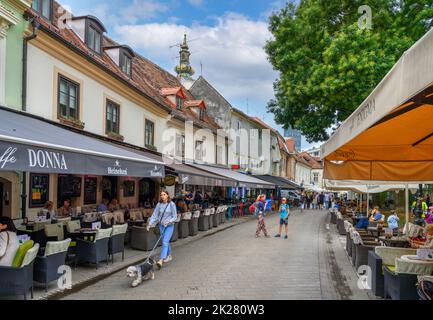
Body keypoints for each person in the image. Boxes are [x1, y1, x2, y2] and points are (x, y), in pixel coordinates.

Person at [146, 190, 177, 269]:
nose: (162, 196)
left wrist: (169, 222)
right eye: (161, 195)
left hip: (169, 226)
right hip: (161, 226)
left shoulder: (172, 204)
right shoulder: (159, 204)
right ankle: (169, 255)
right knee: (165, 242)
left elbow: (175, 216)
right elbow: (155, 215)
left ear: (167, 195)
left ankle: (161, 260)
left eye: (164, 194)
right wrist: (150, 224)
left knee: (165, 242)